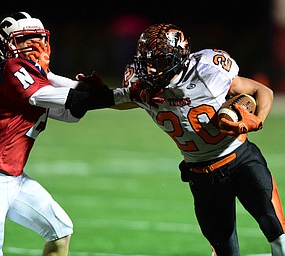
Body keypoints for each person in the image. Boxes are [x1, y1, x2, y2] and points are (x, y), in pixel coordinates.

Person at [78, 23, 285, 255]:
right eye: (146, 62)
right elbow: (124, 100)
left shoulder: (208, 71)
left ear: (178, 57)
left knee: (279, 237)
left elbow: (262, 90)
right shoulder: (145, 88)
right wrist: (100, 94)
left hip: (242, 161)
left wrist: (255, 120)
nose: (151, 70)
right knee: (225, 251)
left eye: (158, 62)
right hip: (202, 176)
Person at [0, 11, 131, 255]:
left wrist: (89, 91)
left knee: (60, 230)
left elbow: (70, 114)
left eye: (38, 37)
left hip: (15, 178)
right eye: (25, 39)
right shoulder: (10, 68)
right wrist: (106, 96)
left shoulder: (38, 77)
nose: (35, 44)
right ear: (7, 45)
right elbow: (56, 97)